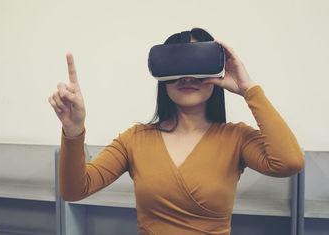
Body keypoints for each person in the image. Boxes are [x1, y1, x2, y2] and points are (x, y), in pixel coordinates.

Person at [48, 28, 305, 235]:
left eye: (197, 64)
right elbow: (74, 190)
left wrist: (248, 88)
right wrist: (74, 130)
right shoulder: (135, 140)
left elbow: (289, 162)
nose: (187, 77)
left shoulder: (236, 138)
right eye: (177, 65)